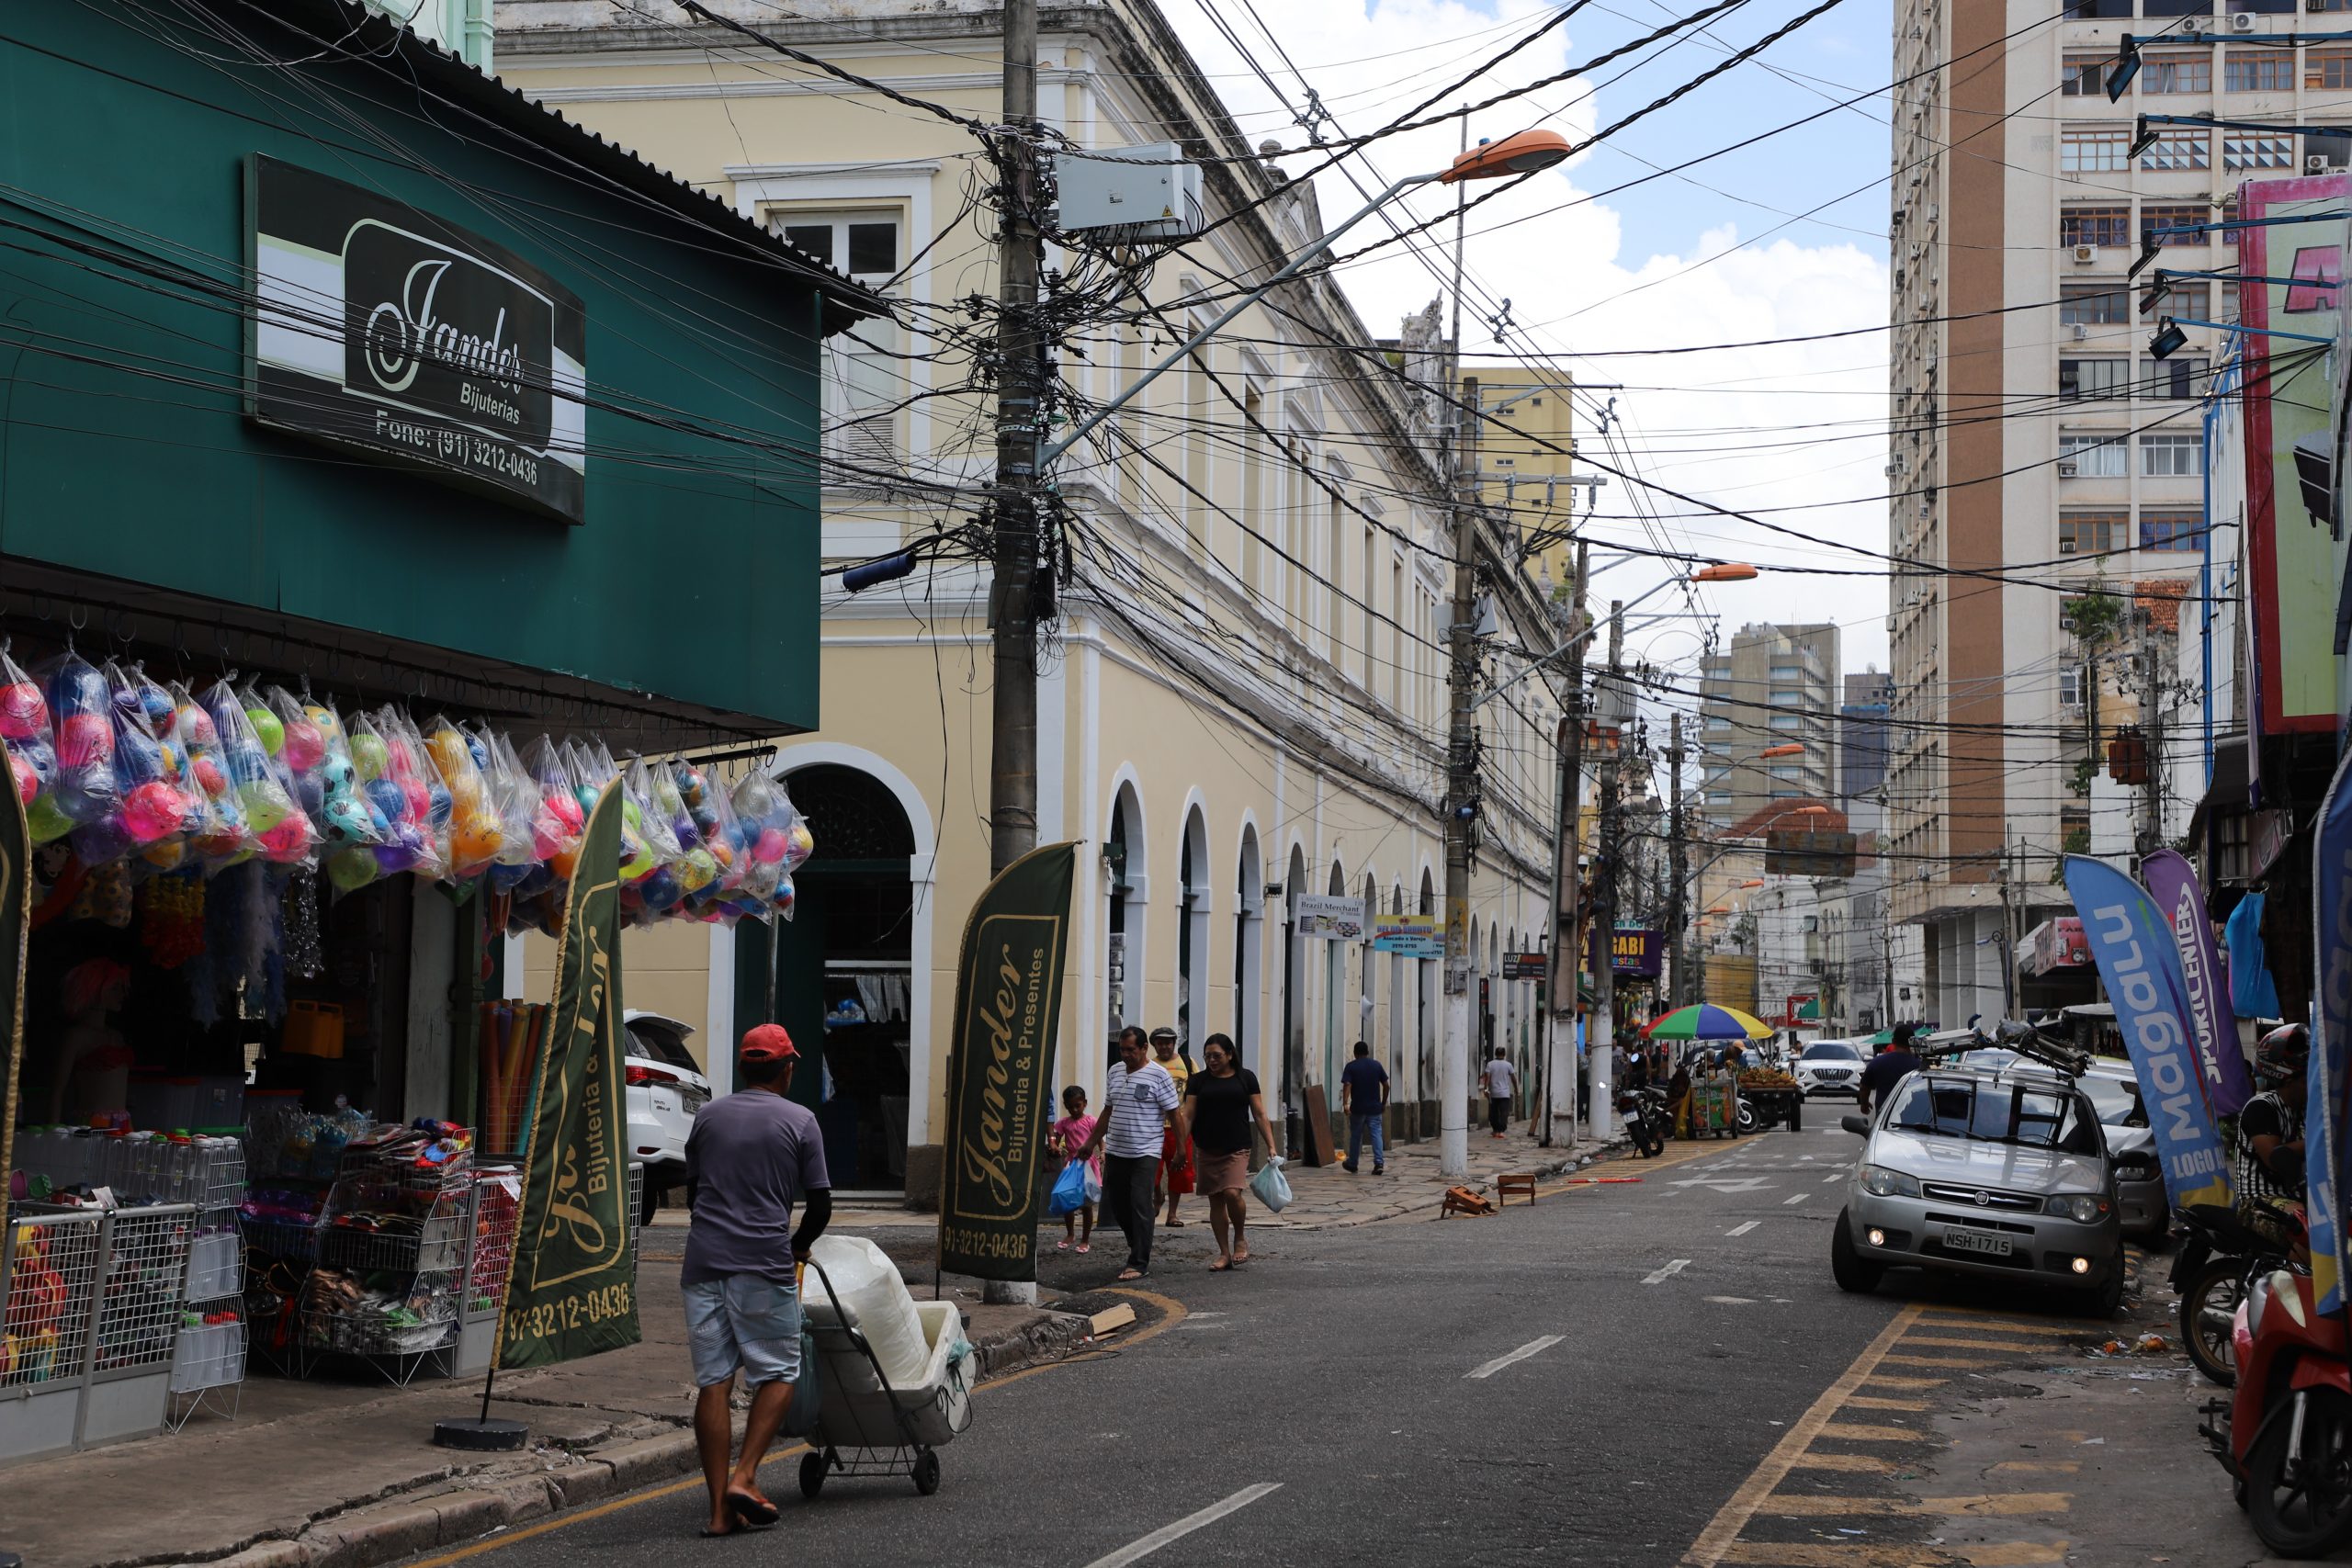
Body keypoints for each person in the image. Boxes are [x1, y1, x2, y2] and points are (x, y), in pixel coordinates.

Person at [679, 1024, 831, 1539]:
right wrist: (796, 1247)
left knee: (714, 1381)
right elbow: (821, 1205)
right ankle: (744, 1477)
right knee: (780, 1371)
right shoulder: (801, 1120)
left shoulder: (708, 1115)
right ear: (787, 1070)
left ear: (745, 1068)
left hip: (702, 1265)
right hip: (763, 1265)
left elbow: (694, 1188)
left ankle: (720, 1513)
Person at [1079, 1026, 1179, 1281]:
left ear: (1144, 1048)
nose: (1125, 1055)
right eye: (1122, 1050)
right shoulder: (1115, 1072)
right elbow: (1107, 1111)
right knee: (1117, 1203)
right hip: (1117, 1150)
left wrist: (1180, 1149)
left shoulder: (1159, 1075)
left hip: (1146, 1151)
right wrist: (1090, 1142)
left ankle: (1139, 1261)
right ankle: (1138, 1242)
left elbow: (1175, 1115)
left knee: (1139, 1203)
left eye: (1130, 1050)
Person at [1177, 1032, 1281, 1269]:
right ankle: (1224, 1253)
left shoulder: (1245, 1078)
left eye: (1217, 1055)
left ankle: (1240, 1237)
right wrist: (1181, 1146)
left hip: (1237, 1146)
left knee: (1232, 1193)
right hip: (1206, 1148)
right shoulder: (1198, 1081)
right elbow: (1189, 1115)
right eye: (1208, 1056)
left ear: (1230, 1054)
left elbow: (1260, 1112)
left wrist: (1272, 1145)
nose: (1212, 1060)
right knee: (1215, 1201)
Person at [2234, 1022, 2311, 1260]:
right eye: (2308, 1078)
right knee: (2311, 1232)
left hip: (2298, 1198)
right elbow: (2275, 1158)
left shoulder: (2304, 1110)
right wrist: (2319, 1142)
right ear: (2289, 1080)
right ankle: (2292, 1293)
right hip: (2257, 1203)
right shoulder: (2262, 1107)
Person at [1150, 1028, 1195, 1226]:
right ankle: (1157, 1195)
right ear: (1153, 1045)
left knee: (1179, 1171)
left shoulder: (1187, 1063)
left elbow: (1195, 1093)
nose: (1164, 1046)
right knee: (1152, 1171)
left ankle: (1173, 1214)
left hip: (1180, 1127)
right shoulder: (1150, 1065)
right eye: (1160, 1043)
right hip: (1154, 1128)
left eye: (1168, 1042)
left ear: (1175, 1043)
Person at [1049, 1084, 1100, 1254]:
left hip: (1088, 1165)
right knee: (1067, 1199)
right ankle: (1070, 1234)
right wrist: (1054, 1146)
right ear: (1066, 1106)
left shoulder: (1091, 1121)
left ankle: (1085, 1240)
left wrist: (1104, 1151)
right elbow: (1055, 1138)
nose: (1074, 1109)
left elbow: (1099, 1138)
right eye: (1070, 1107)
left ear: (1084, 1103)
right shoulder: (1064, 1123)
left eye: (1077, 1105)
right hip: (1071, 1165)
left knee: (1086, 1204)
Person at [1339, 1039, 1389, 1175]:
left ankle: (1353, 1163)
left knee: (1355, 1136)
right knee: (1376, 1135)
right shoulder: (1376, 1065)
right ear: (1367, 1052)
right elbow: (1386, 1085)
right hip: (1374, 1108)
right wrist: (1383, 1103)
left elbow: (1347, 1084)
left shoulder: (1351, 1067)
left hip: (1358, 1108)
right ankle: (1379, 1163)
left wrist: (1345, 1103)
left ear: (1355, 1053)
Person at [1855, 1021, 1923, 1118]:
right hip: (1915, 1119)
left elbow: (1864, 1087)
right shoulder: (1920, 1065)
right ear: (1912, 1041)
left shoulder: (1877, 1062)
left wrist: (1864, 1104)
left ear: (1893, 1041)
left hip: (1885, 1119)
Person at [1483, 1046, 1519, 1138]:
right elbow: (1513, 1078)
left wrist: (1486, 1089)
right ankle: (1501, 1131)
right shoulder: (1508, 1065)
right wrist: (1516, 1089)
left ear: (1495, 1053)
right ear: (1504, 1054)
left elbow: (1487, 1078)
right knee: (1504, 1113)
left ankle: (1495, 1130)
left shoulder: (1490, 1064)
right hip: (1504, 1094)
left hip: (1493, 1093)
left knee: (1493, 1112)